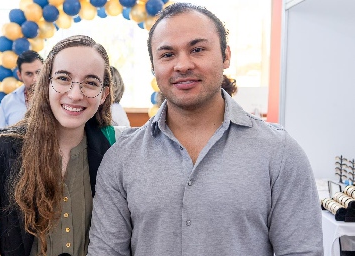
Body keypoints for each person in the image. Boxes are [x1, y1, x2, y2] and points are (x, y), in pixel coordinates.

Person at [88, 3, 323, 256]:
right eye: (167, 55)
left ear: (226, 56)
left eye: (197, 49)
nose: (183, 65)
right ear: (154, 67)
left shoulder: (279, 152)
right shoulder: (122, 158)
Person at [0, 35, 114, 256]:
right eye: (63, 78)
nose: (75, 94)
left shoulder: (111, 154)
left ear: (103, 94)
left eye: (91, 83)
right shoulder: (3, 149)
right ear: (47, 83)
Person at [0, 50, 43, 134]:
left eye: (39, 72)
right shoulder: (8, 101)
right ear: (19, 75)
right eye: (29, 74)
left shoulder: (55, 97)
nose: (35, 79)